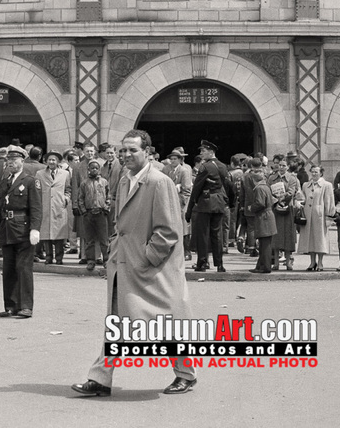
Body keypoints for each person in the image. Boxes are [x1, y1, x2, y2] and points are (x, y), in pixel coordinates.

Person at [72, 128, 198, 398]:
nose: (126, 155)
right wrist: (115, 248)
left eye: (133, 150)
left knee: (165, 324)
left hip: (151, 269)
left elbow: (168, 231)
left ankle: (186, 374)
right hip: (124, 263)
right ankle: (100, 378)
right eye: (123, 150)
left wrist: (145, 258)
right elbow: (121, 222)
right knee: (117, 322)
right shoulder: (124, 179)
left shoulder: (159, 181)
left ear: (148, 153)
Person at [0, 145, 42, 318]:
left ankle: (26, 306)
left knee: (23, 268)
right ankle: (11, 305)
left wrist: (35, 229)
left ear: (22, 161)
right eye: (9, 160)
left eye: (15, 160)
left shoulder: (30, 181)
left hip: (23, 229)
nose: (11, 163)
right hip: (7, 229)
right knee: (8, 269)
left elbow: (36, 208)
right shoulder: (4, 182)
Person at [187, 140, 233, 273]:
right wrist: (230, 202)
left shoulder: (205, 167)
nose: (201, 153)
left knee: (203, 234)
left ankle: (202, 262)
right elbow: (228, 185)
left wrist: (190, 209)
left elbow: (196, 189)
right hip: (219, 203)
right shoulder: (223, 166)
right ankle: (219, 264)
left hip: (206, 203)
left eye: (203, 151)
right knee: (217, 234)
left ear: (211, 152)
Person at [298, 162, 335, 271]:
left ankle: (320, 262)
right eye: (312, 171)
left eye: (316, 172)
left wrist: (329, 215)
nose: (314, 174)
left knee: (320, 239)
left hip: (320, 215)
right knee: (310, 239)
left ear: (321, 173)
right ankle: (312, 262)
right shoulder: (305, 185)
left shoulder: (327, 185)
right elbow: (303, 199)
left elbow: (329, 201)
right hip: (308, 215)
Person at [76, 157, 111, 272]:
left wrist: (106, 207)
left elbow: (109, 196)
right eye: (92, 168)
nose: (94, 170)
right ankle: (91, 260)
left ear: (99, 169)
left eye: (96, 168)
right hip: (88, 213)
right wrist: (84, 212)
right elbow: (80, 198)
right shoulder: (84, 183)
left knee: (104, 238)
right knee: (89, 239)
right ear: (88, 169)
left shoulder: (104, 182)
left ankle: (106, 259)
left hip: (101, 213)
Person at [37, 151, 71, 264]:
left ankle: (59, 257)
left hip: (59, 206)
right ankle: (48, 256)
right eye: (49, 160)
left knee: (59, 234)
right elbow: (37, 190)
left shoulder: (65, 174)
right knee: (46, 234)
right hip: (45, 206)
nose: (51, 162)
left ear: (58, 162)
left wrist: (66, 198)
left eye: (54, 160)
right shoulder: (40, 174)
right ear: (46, 161)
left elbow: (68, 188)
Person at [244, 157, 276, 274]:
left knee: (264, 244)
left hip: (264, 217)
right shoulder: (265, 186)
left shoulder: (259, 189)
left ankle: (265, 266)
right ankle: (261, 265)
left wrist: (250, 207)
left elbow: (260, 203)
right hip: (267, 216)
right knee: (264, 243)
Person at [269, 154, 301, 271]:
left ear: (288, 167)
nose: (281, 167)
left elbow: (291, 191)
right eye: (280, 165)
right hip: (276, 209)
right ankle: (276, 262)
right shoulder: (271, 178)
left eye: (284, 165)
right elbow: (269, 192)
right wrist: (276, 201)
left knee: (288, 236)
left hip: (288, 209)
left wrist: (282, 200)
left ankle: (288, 262)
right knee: (276, 236)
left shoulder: (292, 179)